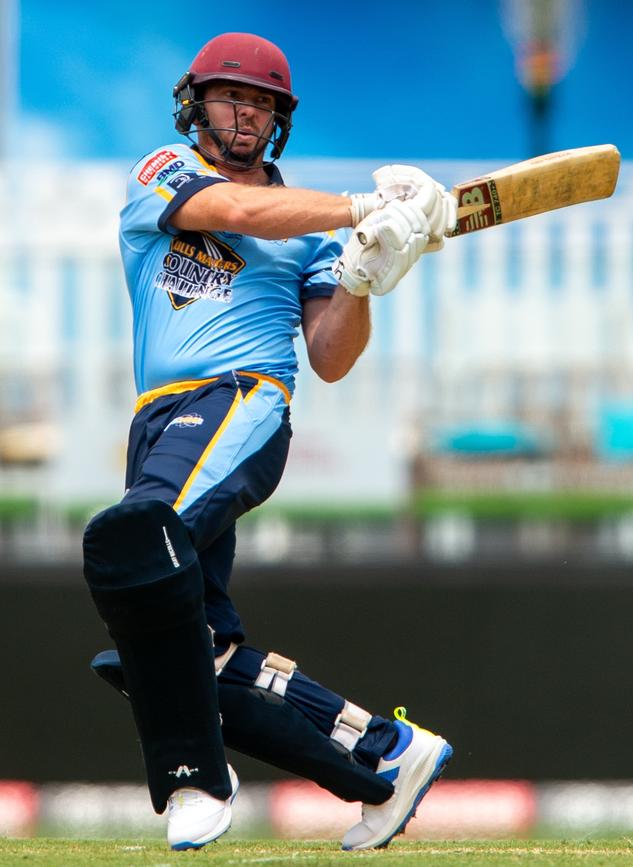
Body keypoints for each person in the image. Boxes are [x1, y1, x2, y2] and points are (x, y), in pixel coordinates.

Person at [83, 31, 457, 852]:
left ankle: (192, 778)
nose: (246, 114)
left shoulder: (314, 233)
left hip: (245, 398)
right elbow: (236, 209)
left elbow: (331, 355)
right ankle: (387, 756)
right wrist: (365, 206)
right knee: (194, 652)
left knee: (134, 545)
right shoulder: (163, 172)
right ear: (195, 105)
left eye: (261, 105)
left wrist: (362, 275)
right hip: (160, 416)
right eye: (231, 98)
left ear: (278, 120)